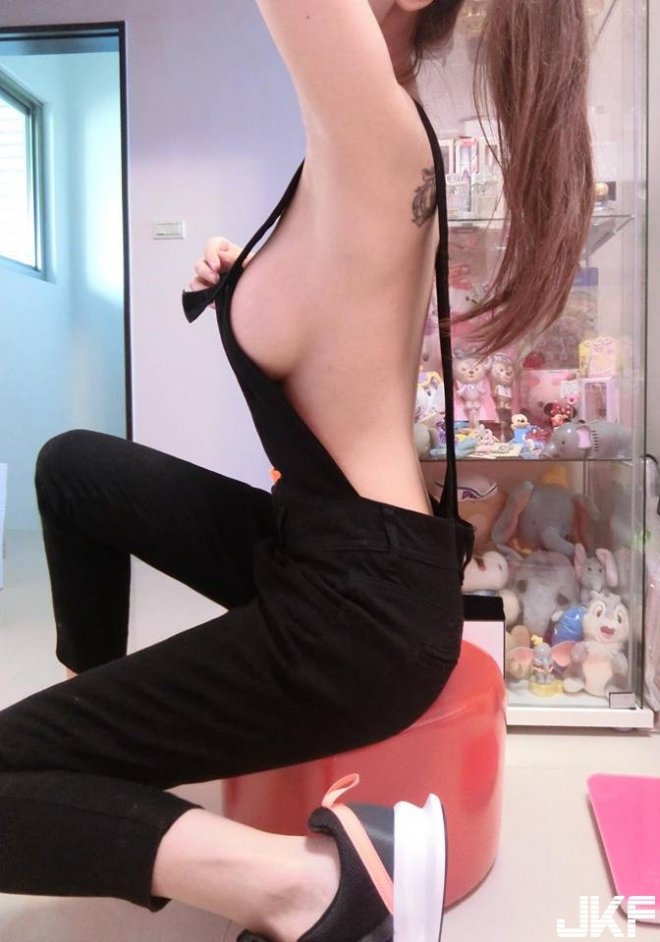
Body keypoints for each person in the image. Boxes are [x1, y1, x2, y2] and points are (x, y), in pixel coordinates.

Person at [0, 2, 592, 941]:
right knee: (73, 467)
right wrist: (246, 277)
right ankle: (93, 734)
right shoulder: (364, 144)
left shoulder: (378, 133)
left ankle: (312, 887)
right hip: (328, 553)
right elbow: (334, 324)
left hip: (357, 616)